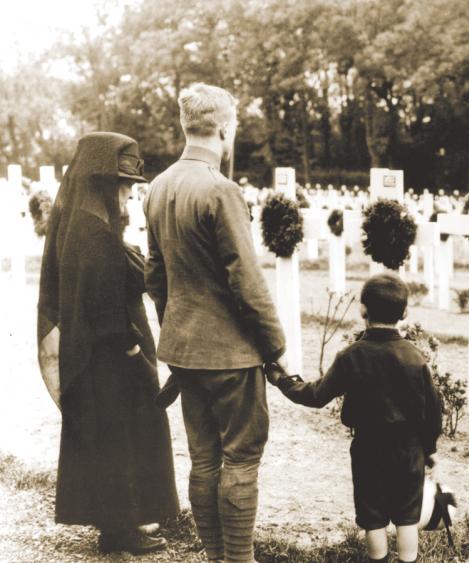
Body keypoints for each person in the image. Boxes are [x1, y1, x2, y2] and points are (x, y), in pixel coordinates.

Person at [144, 83, 286, 563]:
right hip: (231, 354)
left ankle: (214, 556)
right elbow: (246, 281)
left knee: (203, 459)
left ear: (186, 128)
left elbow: (155, 275)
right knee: (241, 458)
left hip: (185, 351)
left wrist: (175, 329)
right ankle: (238, 559)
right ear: (225, 129)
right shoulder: (221, 189)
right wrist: (275, 347)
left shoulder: (159, 185)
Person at [36, 132, 179, 554]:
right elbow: (103, 307)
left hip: (98, 357)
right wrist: (134, 351)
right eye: (125, 185)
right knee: (121, 436)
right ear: (104, 182)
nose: (129, 194)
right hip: (111, 357)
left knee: (116, 435)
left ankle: (121, 519)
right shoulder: (93, 231)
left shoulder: (83, 221)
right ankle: (119, 530)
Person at [265, 273, 443, 563]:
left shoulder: (351, 356)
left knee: (373, 515)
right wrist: (430, 451)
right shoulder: (416, 357)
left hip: (368, 447)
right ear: (405, 313)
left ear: (363, 311)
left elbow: (316, 395)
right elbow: (433, 412)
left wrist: (282, 381)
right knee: (407, 515)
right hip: (409, 449)